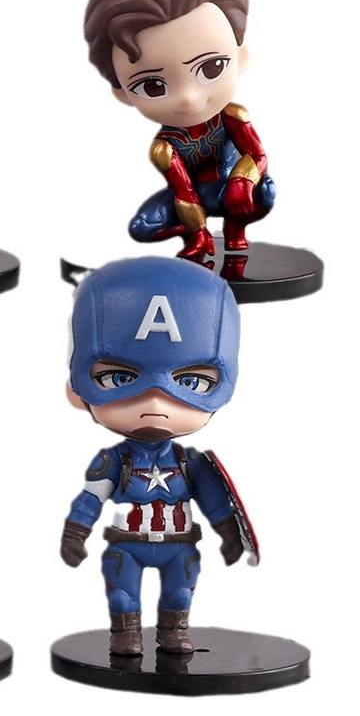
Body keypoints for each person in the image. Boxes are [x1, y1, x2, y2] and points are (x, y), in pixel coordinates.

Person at [60, 256, 251, 655]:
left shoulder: (189, 463)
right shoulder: (113, 461)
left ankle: (173, 633)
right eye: (119, 378)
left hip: (179, 543)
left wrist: (229, 532)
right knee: (122, 597)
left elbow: (214, 500)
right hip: (127, 542)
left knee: (180, 593)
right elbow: (90, 498)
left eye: (191, 382)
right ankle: (125, 635)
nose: (155, 405)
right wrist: (76, 532)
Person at [84, 0, 274, 260]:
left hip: (233, 188)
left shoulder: (233, 117)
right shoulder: (165, 148)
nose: (188, 98)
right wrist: (198, 235)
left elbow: (256, 155)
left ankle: (235, 233)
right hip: (194, 199)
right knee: (142, 227)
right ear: (122, 93)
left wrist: (243, 180)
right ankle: (200, 239)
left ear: (240, 57)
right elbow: (183, 191)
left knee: (264, 192)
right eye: (153, 86)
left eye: (212, 67)